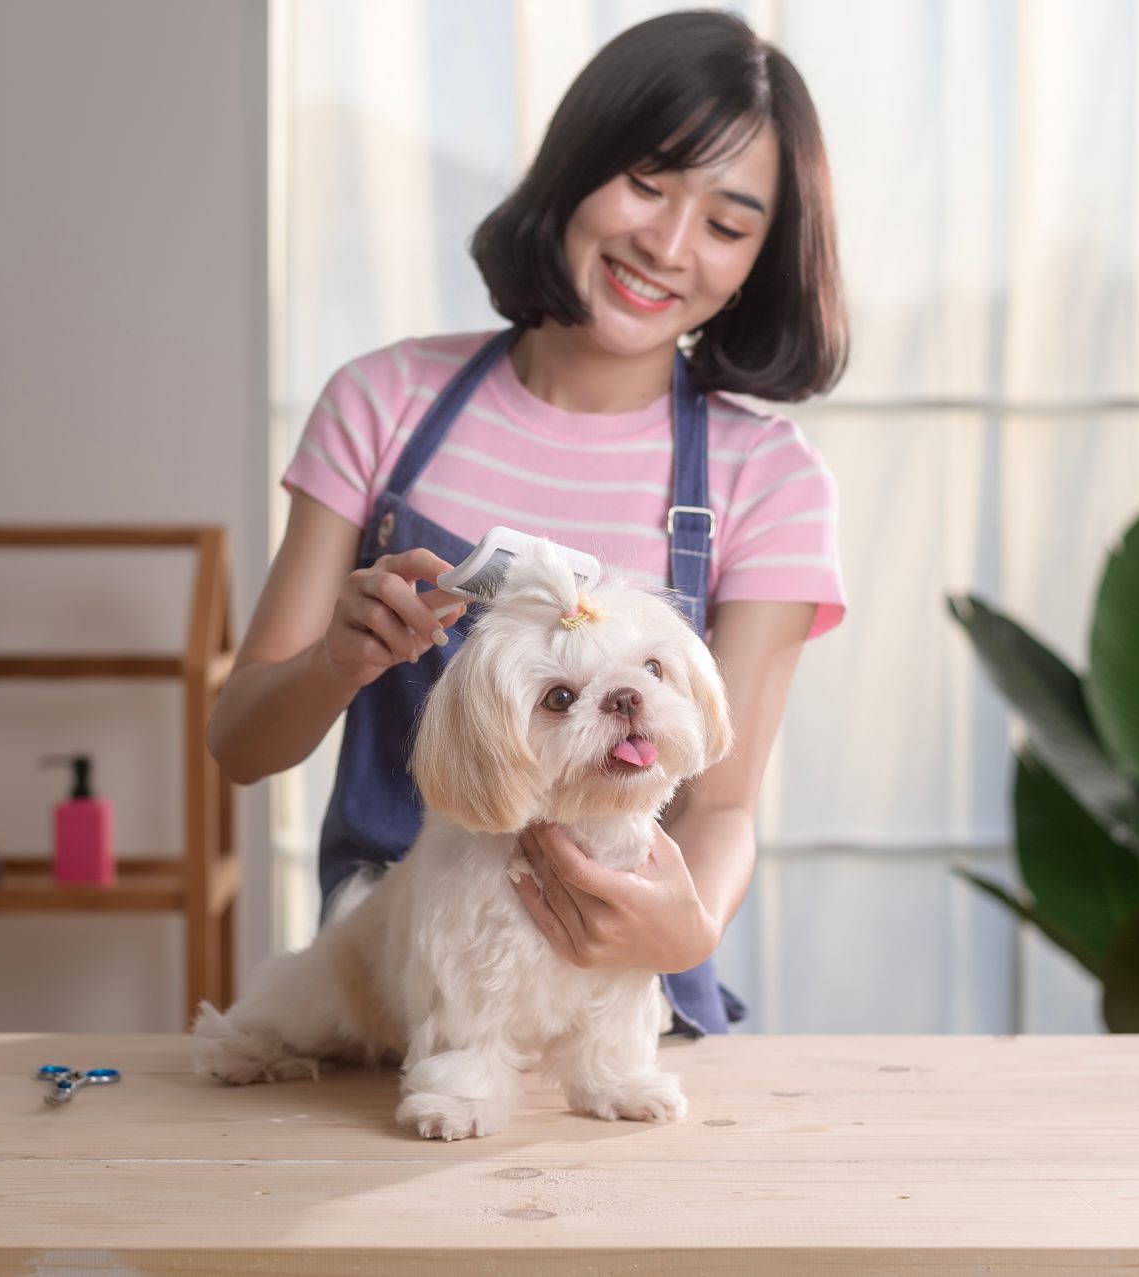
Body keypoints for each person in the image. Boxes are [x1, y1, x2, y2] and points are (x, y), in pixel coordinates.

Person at [208, 10, 848, 1038]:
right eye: (646, 180)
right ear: (576, 160)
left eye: (727, 225)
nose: (669, 244)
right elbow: (238, 742)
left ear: (756, 263)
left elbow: (721, 805)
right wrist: (338, 659)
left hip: (627, 1012)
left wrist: (677, 934)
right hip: (405, 1003)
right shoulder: (384, 402)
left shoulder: (766, 476)